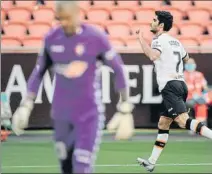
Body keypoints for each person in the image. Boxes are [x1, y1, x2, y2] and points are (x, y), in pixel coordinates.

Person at [11, 1, 134, 173]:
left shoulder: (95, 37)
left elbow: (119, 70)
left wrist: (125, 108)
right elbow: (38, 72)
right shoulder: (51, 38)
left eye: (68, 18)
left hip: (88, 115)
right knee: (66, 167)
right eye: (60, 19)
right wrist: (26, 105)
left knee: (81, 166)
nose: (65, 23)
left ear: (78, 14)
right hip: (61, 114)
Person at [136, 11, 212, 172]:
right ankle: (151, 162)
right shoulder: (176, 42)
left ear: (161, 25)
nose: (152, 22)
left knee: (183, 121)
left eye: (154, 20)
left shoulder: (158, 40)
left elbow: (152, 56)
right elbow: (186, 58)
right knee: (163, 123)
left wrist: (141, 40)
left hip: (170, 85)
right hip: (180, 84)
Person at [184, 58, 210, 125]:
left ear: (195, 64)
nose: (190, 65)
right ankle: (198, 126)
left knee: (201, 103)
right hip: (188, 98)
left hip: (200, 97)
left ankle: (200, 125)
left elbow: (205, 88)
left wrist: (205, 94)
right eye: (188, 63)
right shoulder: (181, 75)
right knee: (200, 103)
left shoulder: (199, 74)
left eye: (191, 63)